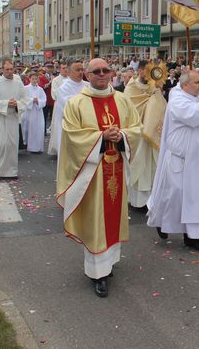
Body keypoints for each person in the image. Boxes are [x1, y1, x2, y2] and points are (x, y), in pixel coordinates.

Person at [57, 58, 141, 298]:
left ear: (111, 73)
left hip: (116, 169)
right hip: (92, 175)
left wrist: (121, 134)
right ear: (87, 75)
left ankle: (109, 263)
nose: (102, 74)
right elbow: (72, 136)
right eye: (96, 71)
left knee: (113, 217)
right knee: (97, 221)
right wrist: (102, 138)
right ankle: (97, 274)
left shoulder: (123, 100)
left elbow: (136, 128)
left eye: (106, 70)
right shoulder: (76, 104)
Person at [147, 70, 199, 253]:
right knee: (174, 196)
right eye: (197, 82)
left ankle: (194, 237)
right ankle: (162, 222)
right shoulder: (177, 99)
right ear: (185, 85)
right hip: (180, 159)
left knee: (196, 199)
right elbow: (193, 117)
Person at [124, 61, 166, 211]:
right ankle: (138, 201)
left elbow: (161, 107)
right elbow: (128, 110)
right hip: (138, 135)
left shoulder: (154, 86)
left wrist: (157, 93)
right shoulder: (130, 88)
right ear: (140, 71)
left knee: (153, 168)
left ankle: (153, 200)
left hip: (153, 135)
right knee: (139, 167)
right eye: (146, 71)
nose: (148, 74)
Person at [0, 60, 30, 178]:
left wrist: (17, 104)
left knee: (11, 145)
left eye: (11, 69)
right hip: (0, 117)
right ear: (2, 69)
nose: (10, 72)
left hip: (12, 118)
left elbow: (25, 99)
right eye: (7, 69)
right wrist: (6, 104)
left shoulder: (18, 81)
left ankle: (11, 171)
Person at [53, 59, 86, 156]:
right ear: (69, 71)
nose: (80, 72)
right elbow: (71, 105)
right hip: (70, 127)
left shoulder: (88, 85)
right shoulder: (64, 88)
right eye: (77, 70)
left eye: (82, 69)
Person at [21, 72, 47, 153]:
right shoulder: (25, 88)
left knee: (38, 128)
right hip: (29, 111)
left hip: (38, 111)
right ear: (29, 79)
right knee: (28, 128)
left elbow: (44, 99)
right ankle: (27, 144)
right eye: (33, 79)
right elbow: (23, 98)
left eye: (36, 79)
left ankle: (37, 146)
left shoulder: (40, 89)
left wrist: (38, 101)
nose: (35, 80)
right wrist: (32, 100)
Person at [47, 62, 68, 155]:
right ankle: (57, 148)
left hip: (69, 106)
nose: (65, 70)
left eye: (67, 68)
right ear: (59, 69)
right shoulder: (56, 80)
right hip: (59, 106)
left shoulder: (71, 79)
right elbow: (54, 94)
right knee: (58, 126)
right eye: (63, 68)